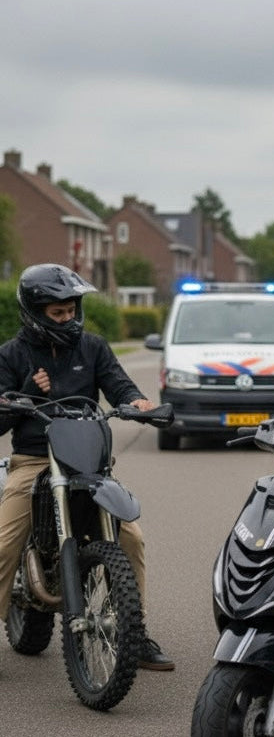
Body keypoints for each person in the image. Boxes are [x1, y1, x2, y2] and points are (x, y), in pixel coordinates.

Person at [0, 264, 174, 670]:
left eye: (71, 311)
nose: (68, 319)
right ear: (35, 313)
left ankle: (133, 634)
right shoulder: (11, 355)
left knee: (131, 538)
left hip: (86, 464)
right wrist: (26, 392)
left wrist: (137, 402)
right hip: (34, 460)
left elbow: (119, 385)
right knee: (4, 545)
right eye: (57, 313)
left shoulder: (93, 347)